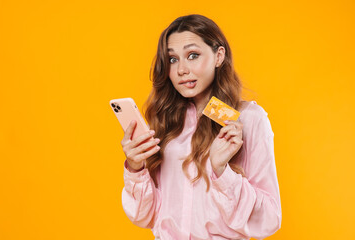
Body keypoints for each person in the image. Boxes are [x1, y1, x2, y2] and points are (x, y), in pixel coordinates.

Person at [120, 14, 282, 240]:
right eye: (173, 59)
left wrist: (221, 170)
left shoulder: (249, 119)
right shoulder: (167, 119)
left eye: (192, 55)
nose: (181, 70)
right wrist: (136, 168)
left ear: (219, 56)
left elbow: (269, 219)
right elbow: (146, 216)